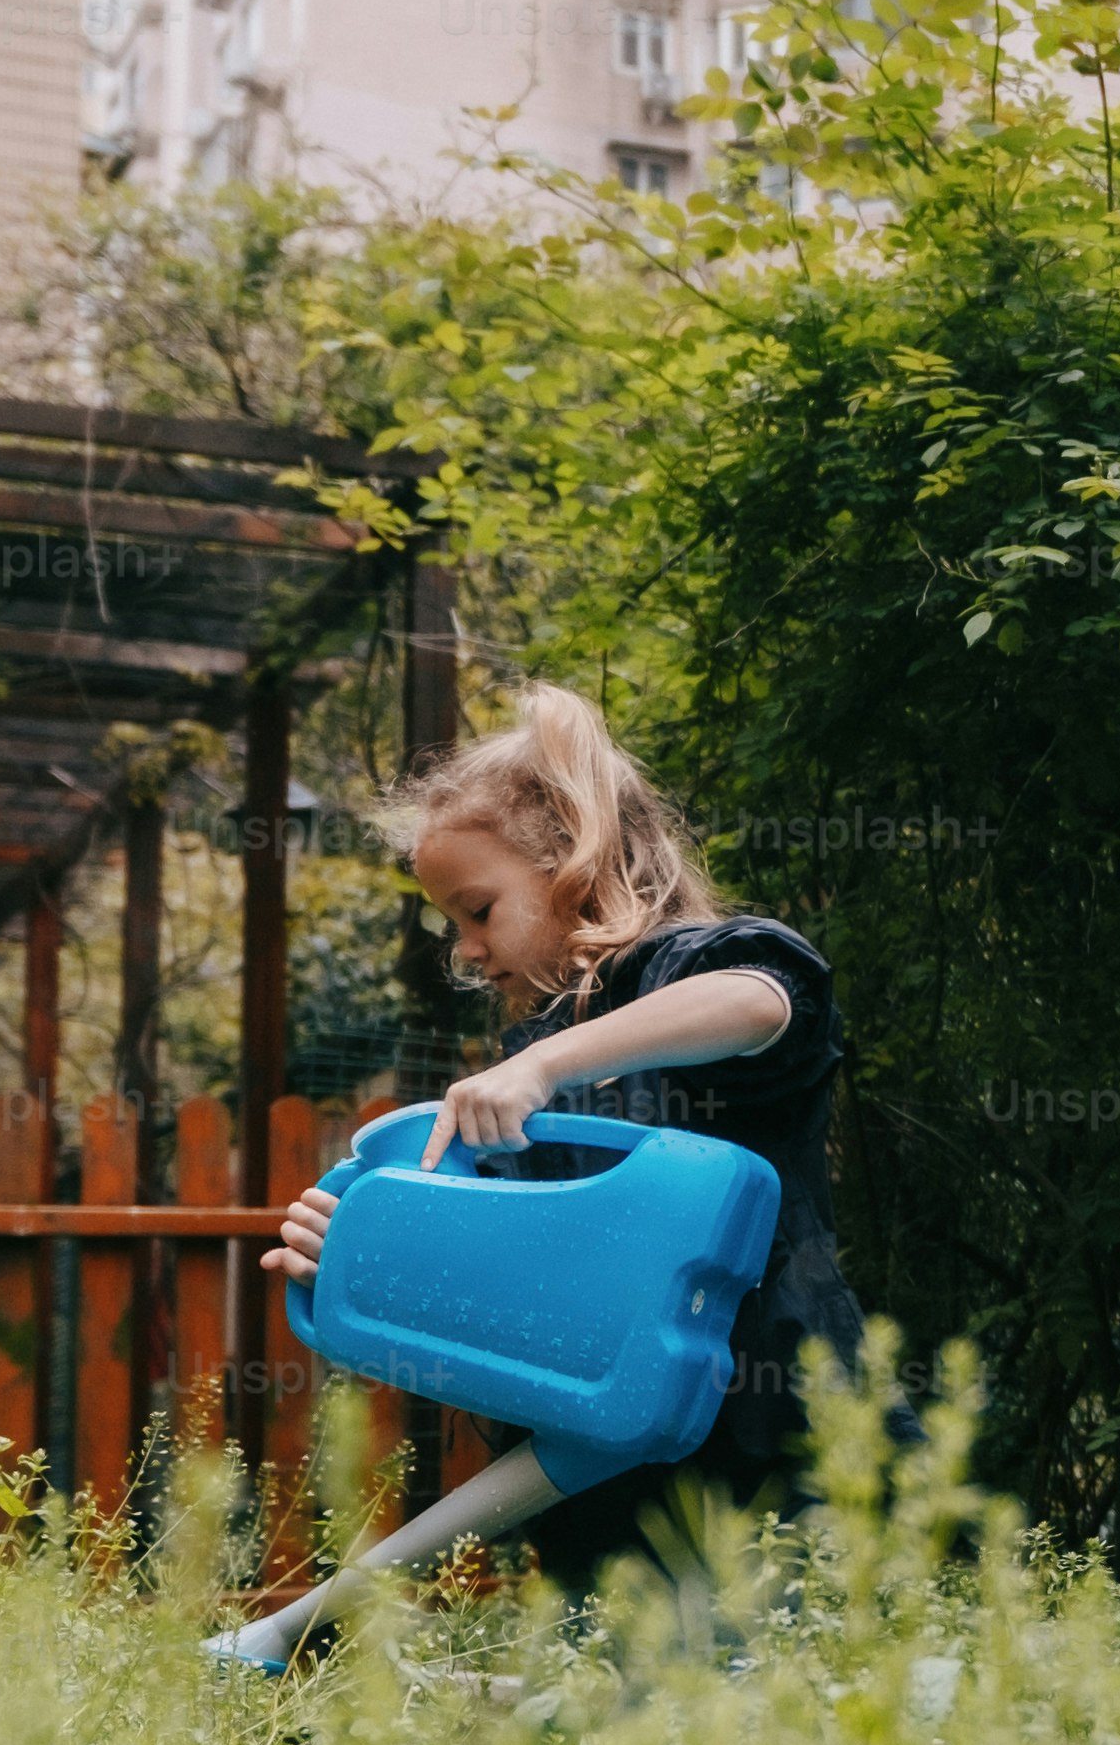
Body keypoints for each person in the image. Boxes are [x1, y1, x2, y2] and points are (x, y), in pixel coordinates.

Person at [211, 684, 864, 1668]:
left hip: (773, 1437)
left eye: (477, 911)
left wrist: (547, 1063)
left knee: (809, 1701)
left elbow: (760, 1001)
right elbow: (505, 1290)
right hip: (598, 1482)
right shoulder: (524, 1070)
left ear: (576, 865)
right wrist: (349, 1257)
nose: (465, 950)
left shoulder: (683, 971)